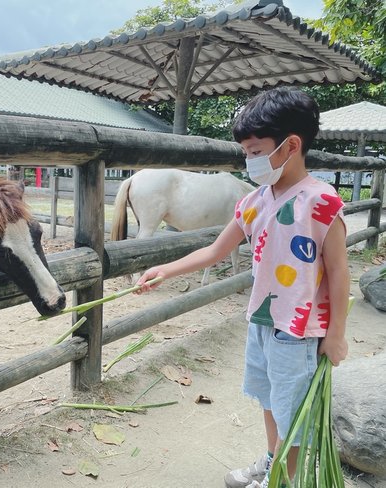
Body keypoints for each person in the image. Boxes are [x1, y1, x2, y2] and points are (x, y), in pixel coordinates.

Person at [134, 87, 349, 488]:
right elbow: (217, 249)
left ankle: (287, 476)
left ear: (291, 146)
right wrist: (165, 269)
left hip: (299, 330)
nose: (249, 161)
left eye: (255, 151)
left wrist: (335, 334)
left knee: (292, 411)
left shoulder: (322, 201)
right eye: (246, 153)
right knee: (269, 400)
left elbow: (338, 271)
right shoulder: (254, 200)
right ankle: (273, 461)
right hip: (263, 319)